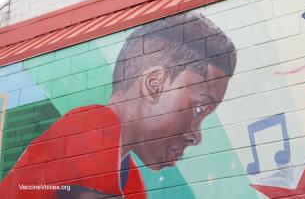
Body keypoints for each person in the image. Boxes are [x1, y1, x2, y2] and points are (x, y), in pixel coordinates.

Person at [0, 12, 237, 199]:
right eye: (198, 109)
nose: (197, 136)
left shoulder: (124, 170)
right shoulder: (90, 126)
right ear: (154, 84)